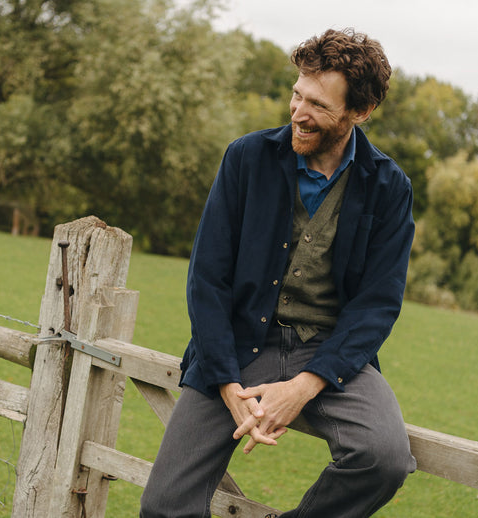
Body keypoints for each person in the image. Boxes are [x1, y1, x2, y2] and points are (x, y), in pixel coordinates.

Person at [140, 28, 416, 518]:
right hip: (236, 347)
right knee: (164, 506)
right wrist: (226, 384)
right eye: (296, 94)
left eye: (318, 105)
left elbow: (377, 304)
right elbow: (207, 279)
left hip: (330, 353)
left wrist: (305, 386)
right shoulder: (245, 157)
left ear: (360, 111)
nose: (298, 112)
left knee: (385, 458)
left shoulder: (390, 187)